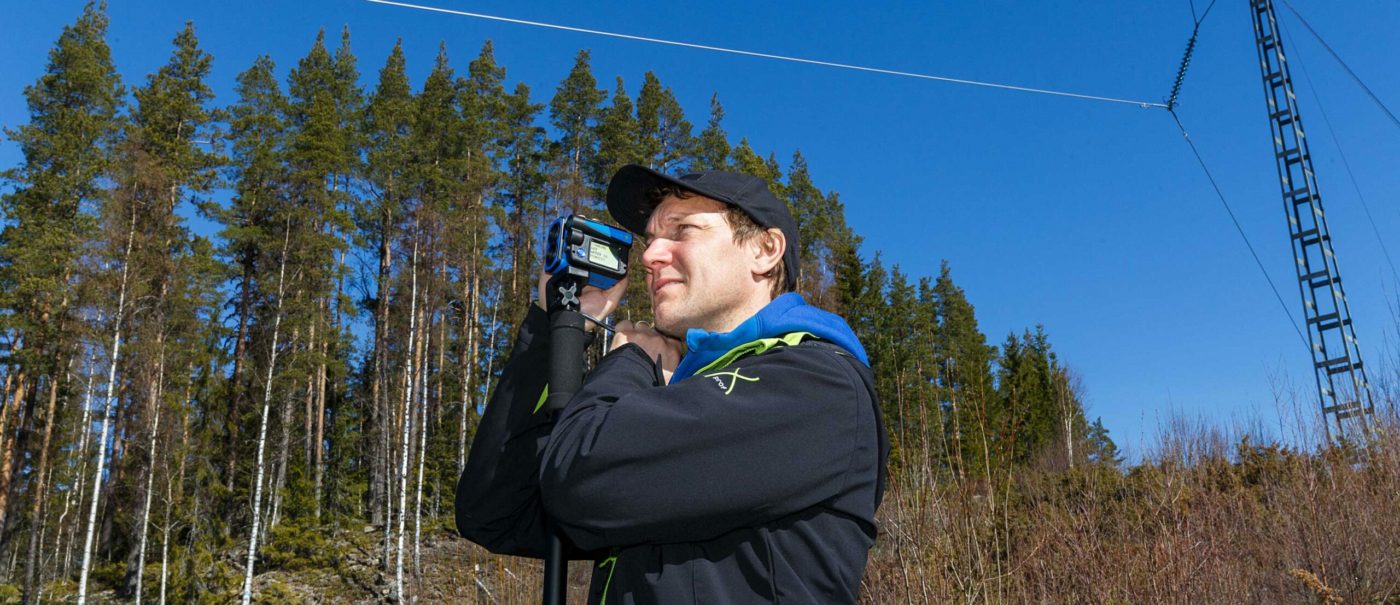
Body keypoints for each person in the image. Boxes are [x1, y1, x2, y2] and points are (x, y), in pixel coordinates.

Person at [456, 164, 888, 604]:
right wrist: (558, 328)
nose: (649, 256)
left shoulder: (818, 386)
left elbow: (581, 480)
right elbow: (494, 513)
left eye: (682, 230)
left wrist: (629, 361)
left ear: (765, 250)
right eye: (650, 240)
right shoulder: (672, 398)